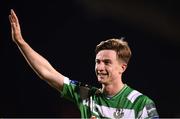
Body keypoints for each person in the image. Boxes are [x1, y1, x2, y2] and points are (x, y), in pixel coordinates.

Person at [9, 9, 159, 118]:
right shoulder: (87, 95)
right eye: (97, 62)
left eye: (107, 62)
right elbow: (47, 72)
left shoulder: (141, 103)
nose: (100, 68)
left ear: (122, 67)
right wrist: (21, 42)